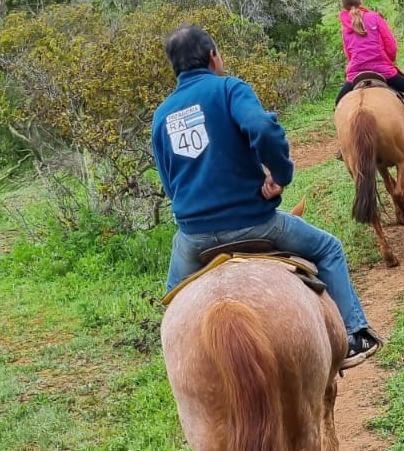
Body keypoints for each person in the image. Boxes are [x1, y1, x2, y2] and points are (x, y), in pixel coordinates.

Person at [151, 25, 382, 366]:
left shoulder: (162, 115)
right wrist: (281, 175)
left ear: (176, 68)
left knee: (173, 307)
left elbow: (169, 182)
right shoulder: (230, 89)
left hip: (193, 239)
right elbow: (261, 128)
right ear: (213, 56)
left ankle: (179, 369)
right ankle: (354, 334)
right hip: (255, 223)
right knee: (328, 249)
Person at [334, 0, 404, 151]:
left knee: (339, 104)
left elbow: (349, 55)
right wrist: (387, 61)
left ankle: (344, 147)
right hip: (383, 71)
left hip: (355, 75)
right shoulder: (375, 18)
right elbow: (391, 46)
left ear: (343, 5)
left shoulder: (345, 28)